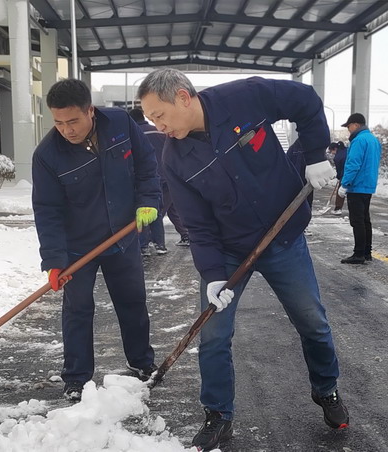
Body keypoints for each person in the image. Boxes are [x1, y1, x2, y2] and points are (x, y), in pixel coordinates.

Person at [137, 68, 349, 451]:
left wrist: (316, 154)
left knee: (312, 322)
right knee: (214, 335)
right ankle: (218, 415)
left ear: (183, 97)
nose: (158, 126)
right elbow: (198, 224)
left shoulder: (243, 98)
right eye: (152, 120)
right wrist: (213, 274)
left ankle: (326, 389)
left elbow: (304, 101)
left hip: (283, 237)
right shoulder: (174, 158)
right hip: (229, 250)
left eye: (160, 115)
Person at [31, 79, 160, 402]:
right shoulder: (47, 155)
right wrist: (54, 261)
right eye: (58, 122)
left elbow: (146, 164)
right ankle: (76, 378)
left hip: (122, 236)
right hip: (78, 247)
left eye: (73, 121)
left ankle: (141, 361)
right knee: (78, 309)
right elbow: (47, 211)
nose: (67, 130)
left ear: (90, 110)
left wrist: (148, 201)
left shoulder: (119, 123)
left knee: (132, 301)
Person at [129, 107, 191, 255]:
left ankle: (145, 245)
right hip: (168, 175)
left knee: (148, 211)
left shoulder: (135, 134)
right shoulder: (159, 131)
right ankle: (166, 242)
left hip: (149, 178)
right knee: (169, 208)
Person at [337, 113, 382, 264]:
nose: (348, 130)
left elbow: (353, 164)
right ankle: (367, 252)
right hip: (368, 184)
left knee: (357, 221)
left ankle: (358, 254)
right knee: (365, 219)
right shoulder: (374, 140)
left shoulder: (358, 140)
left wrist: (345, 184)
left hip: (357, 185)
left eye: (349, 126)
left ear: (356, 124)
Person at [329, 141, 347, 215]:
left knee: (340, 191)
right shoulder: (347, 149)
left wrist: (339, 177)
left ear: (335, 148)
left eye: (331, 151)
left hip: (345, 175)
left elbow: (339, 169)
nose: (332, 153)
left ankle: (338, 209)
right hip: (354, 173)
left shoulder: (338, 157)